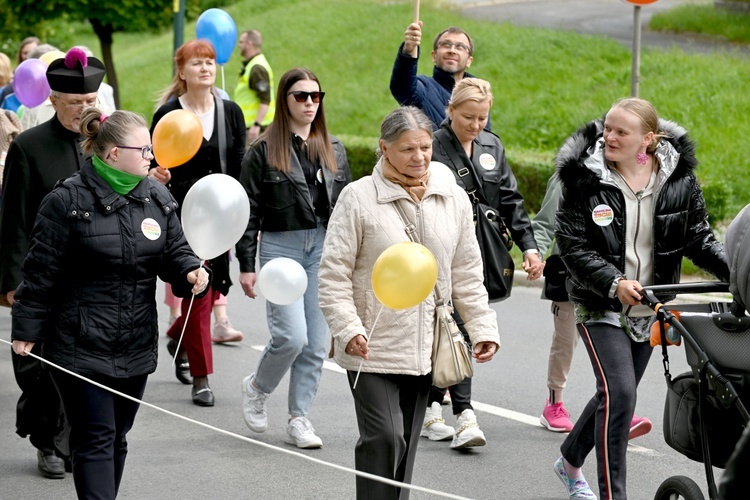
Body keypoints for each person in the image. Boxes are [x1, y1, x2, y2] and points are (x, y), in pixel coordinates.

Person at [11, 107, 209, 500]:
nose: (152, 156)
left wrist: (189, 272)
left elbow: (175, 251)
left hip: (135, 342)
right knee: (96, 437)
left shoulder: (157, 195)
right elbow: (40, 272)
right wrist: (26, 331)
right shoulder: (66, 200)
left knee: (117, 436)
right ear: (113, 153)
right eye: (144, 149)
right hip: (78, 344)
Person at [318, 106, 500, 499]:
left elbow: (467, 271)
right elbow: (333, 274)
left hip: (425, 346)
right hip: (370, 344)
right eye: (407, 149)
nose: (419, 157)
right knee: (384, 438)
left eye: (425, 147)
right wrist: (348, 328)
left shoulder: (451, 197)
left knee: (405, 450)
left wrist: (483, 327)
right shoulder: (358, 198)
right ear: (384, 148)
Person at [552, 97, 729, 500]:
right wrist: (614, 283)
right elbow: (573, 246)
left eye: (621, 132)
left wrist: (739, 274)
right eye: (607, 128)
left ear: (647, 140)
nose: (609, 136)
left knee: (614, 394)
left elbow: (698, 239)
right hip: (599, 300)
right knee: (622, 394)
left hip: (651, 304)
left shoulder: (677, 179)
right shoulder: (585, 179)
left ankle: (568, 460)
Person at [0, 47, 105, 479]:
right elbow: (14, 218)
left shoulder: (106, 146)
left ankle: (68, 440)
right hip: (41, 276)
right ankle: (46, 440)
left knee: (82, 365)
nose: (84, 109)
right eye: (76, 102)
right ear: (55, 101)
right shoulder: (29, 146)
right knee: (38, 366)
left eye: (90, 102)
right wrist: (11, 280)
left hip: (92, 276)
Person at [237, 67, 352, 449]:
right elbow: (249, 209)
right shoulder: (264, 149)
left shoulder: (333, 148)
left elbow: (348, 208)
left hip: (322, 246)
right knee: (291, 336)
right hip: (280, 246)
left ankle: (299, 417)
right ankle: (257, 387)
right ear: (285, 100)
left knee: (316, 344)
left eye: (315, 97)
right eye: (300, 96)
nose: (309, 103)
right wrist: (247, 265)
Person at [427, 77, 541, 449]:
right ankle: (464, 415)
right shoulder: (431, 145)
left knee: (456, 327)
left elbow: (509, 198)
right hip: (438, 251)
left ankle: (431, 406)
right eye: (468, 117)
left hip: (480, 253)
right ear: (451, 111)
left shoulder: (492, 145)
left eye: (482, 118)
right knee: (455, 329)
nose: (475, 126)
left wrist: (529, 245)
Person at [150, 39, 246, 406]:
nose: (205, 68)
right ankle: (202, 378)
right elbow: (156, 164)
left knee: (211, 285)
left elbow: (238, 167)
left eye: (209, 61)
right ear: (182, 72)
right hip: (178, 216)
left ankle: (178, 333)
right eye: (196, 63)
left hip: (220, 216)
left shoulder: (231, 112)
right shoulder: (168, 114)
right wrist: (155, 174)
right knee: (197, 290)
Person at [533, 173, 653, 438]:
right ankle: (554, 403)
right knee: (565, 342)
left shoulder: (632, 176)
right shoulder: (572, 174)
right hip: (572, 276)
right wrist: (536, 254)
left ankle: (620, 408)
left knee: (616, 347)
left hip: (615, 280)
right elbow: (545, 222)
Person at [390, 21, 489, 131]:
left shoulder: (479, 95)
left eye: (460, 47)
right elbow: (401, 87)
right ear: (434, 56)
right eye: (446, 45)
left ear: (469, 61)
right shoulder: (423, 88)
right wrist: (409, 51)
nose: (452, 50)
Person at [235, 29, 275, 142]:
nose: (239, 45)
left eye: (241, 42)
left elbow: (265, 99)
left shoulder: (257, 68)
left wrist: (256, 124)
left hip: (257, 130)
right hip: (254, 128)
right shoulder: (253, 65)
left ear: (249, 44)